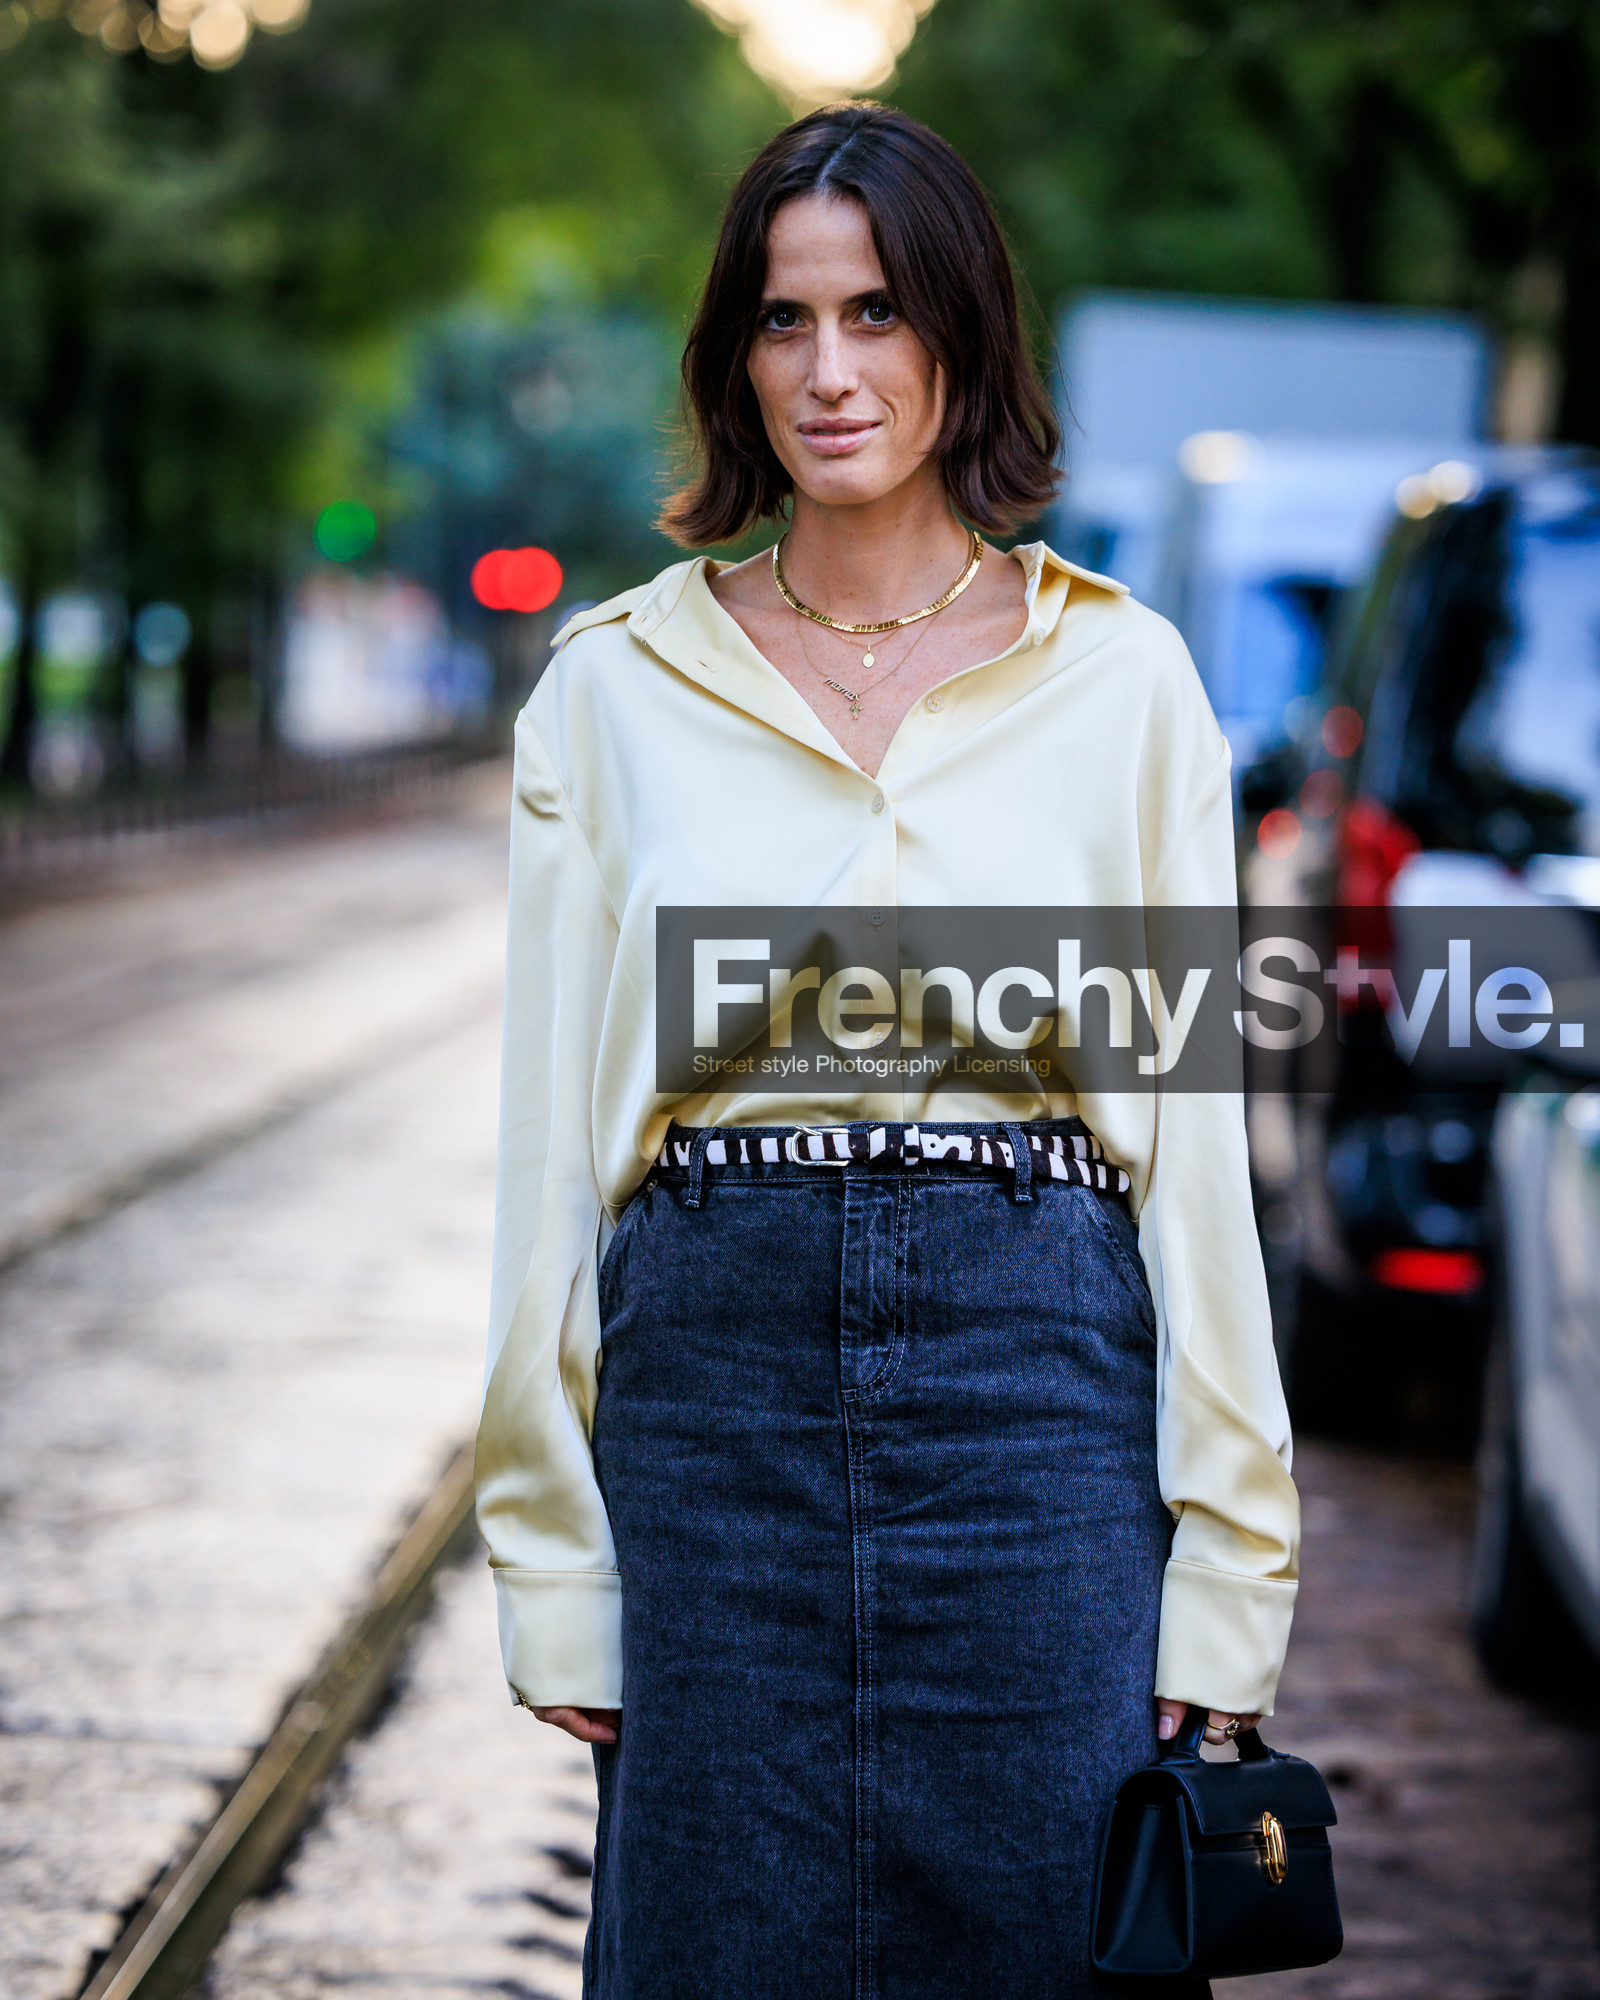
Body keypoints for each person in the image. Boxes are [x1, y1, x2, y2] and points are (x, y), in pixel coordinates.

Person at [476, 102, 1299, 2000]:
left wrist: (1233, 1564)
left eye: (878, 316)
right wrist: (555, 1563)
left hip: (1042, 1390)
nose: (830, 372)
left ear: (962, 339)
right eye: (784, 321)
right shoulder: (613, 686)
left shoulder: (1124, 682)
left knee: (1046, 1946)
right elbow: (544, 1153)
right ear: (734, 356)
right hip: (714, 1391)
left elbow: (1188, 1148)